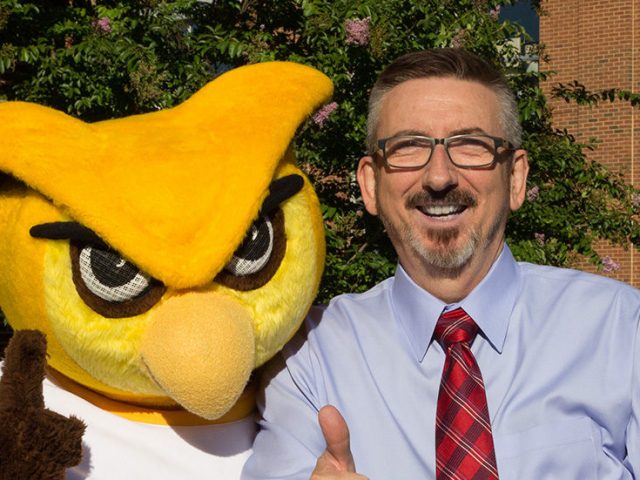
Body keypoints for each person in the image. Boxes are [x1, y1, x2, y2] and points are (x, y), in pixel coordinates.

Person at [242, 48, 640, 479]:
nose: (439, 177)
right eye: (408, 147)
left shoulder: (621, 331)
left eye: (471, 145)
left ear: (516, 179)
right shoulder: (310, 359)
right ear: (371, 185)